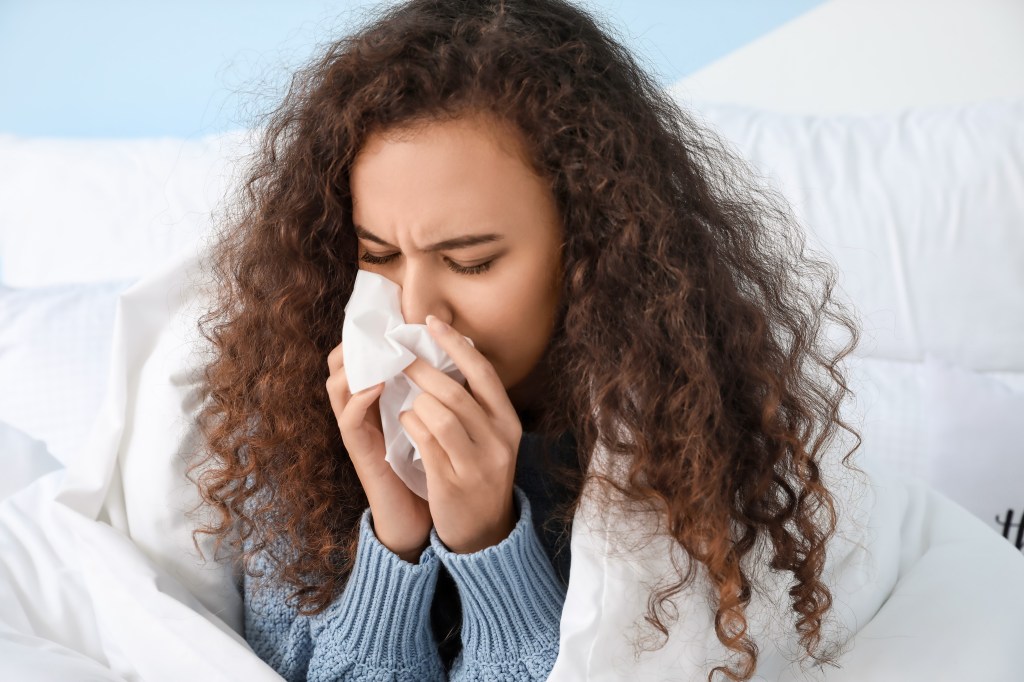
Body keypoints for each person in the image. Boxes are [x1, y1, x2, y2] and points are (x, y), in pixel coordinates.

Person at [189, 0, 861, 680]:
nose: (416, 312)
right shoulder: (292, 428)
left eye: (470, 262)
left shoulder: (681, 453)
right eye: (378, 255)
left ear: (588, 251)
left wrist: (486, 544)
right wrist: (395, 541)